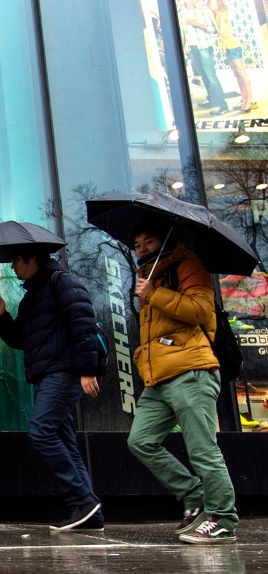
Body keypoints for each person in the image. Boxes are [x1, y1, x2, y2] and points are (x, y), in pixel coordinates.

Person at [127, 222, 239, 544]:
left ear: (165, 240)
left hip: (191, 371)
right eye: (137, 243)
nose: (142, 248)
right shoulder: (150, 277)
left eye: (149, 240)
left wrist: (155, 294)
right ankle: (195, 494)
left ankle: (223, 519)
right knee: (140, 440)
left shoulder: (187, 264)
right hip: (158, 378)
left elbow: (203, 311)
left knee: (202, 450)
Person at [0, 246, 103, 532]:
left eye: (16, 260)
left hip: (63, 373)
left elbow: (84, 326)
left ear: (33, 259)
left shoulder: (62, 282)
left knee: (40, 430)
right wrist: (1, 315)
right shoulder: (31, 297)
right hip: (45, 376)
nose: (13, 267)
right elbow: (20, 339)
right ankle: (89, 511)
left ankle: (83, 502)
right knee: (68, 445)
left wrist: (87, 371)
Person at [181, 0, 228, 115]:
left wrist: (196, 23)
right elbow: (184, 32)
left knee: (211, 76)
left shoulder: (204, 12)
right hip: (192, 48)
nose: (198, 0)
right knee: (203, 75)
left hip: (204, 47)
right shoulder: (184, 13)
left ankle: (222, 105)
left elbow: (213, 29)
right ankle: (212, 100)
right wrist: (184, 47)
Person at [207, 0, 256, 112]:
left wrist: (213, 21)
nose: (212, 5)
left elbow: (222, 33)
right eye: (210, 3)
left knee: (242, 73)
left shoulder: (220, 15)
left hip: (233, 46)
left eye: (214, 3)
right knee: (237, 74)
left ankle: (250, 99)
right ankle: (243, 98)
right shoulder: (218, 14)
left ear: (219, 3)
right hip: (227, 47)